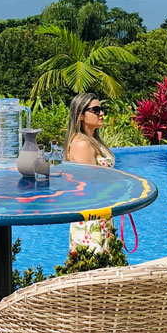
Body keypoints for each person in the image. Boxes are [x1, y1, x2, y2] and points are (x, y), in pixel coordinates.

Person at [65, 92, 116, 252]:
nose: (101, 113)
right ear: (80, 115)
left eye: (101, 109)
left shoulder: (94, 141)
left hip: (101, 213)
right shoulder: (81, 144)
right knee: (94, 266)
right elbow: (90, 186)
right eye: (95, 110)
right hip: (91, 219)